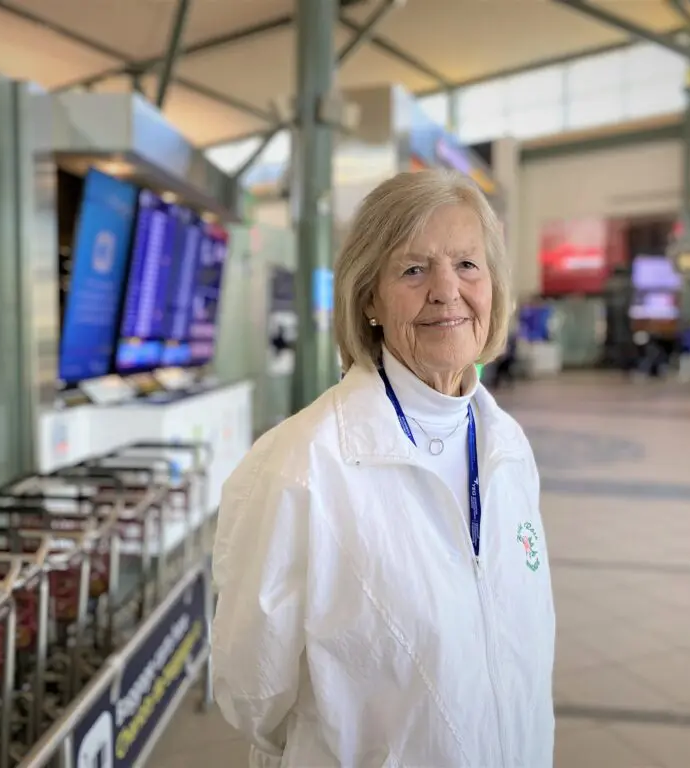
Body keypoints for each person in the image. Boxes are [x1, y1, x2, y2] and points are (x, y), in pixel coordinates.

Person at [211, 169, 555, 768]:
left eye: (468, 265)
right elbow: (254, 695)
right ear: (368, 297)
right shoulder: (301, 468)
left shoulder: (507, 447)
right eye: (414, 269)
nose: (447, 290)